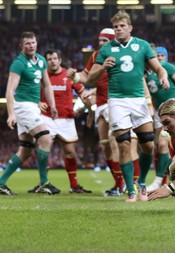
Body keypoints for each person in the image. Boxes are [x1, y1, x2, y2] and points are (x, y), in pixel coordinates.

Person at [87, 10, 170, 203]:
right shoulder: (106, 50)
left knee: (148, 144)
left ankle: (141, 181)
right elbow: (90, 78)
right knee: (123, 144)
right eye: (116, 27)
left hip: (139, 100)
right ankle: (131, 190)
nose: (118, 29)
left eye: (122, 26)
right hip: (116, 101)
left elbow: (157, 67)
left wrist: (163, 76)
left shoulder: (141, 45)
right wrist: (102, 67)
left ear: (130, 27)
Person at [67, 28, 127, 196]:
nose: (101, 44)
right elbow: (86, 76)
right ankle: (118, 184)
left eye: (105, 41)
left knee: (115, 142)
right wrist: (75, 76)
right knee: (105, 145)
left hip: (115, 101)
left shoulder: (120, 54)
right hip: (100, 103)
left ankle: (125, 184)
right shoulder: (95, 56)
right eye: (100, 41)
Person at [0, 32, 60, 195]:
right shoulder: (18, 63)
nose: (31, 46)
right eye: (27, 43)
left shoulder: (41, 61)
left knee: (25, 150)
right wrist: (11, 113)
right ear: (21, 46)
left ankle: (1, 183)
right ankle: (44, 183)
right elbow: (10, 91)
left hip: (33, 106)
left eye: (33, 42)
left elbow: (47, 85)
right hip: (22, 106)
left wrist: (52, 105)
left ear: (36, 43)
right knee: (46, 139)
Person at [27, 49, 92, 194]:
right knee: (44, 151)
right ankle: (43, 183)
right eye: (49, 59)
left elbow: (83, 94)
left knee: (70, 152)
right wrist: (37, 102)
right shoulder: (42, 76)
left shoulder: (68, 76)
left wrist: (88, 111)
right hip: (46, 118)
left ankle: (74, 185)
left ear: (60, 60)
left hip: (66, 119)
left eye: (55, 58)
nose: (52, 61)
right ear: (46, 61)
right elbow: (29, 92)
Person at [145, 46, 175, 192]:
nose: (158, 58)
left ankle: (159, 181)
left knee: (163, 143)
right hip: (159, 113)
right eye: (156, 55)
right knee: (162, 147)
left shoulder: (166, 67)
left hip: (172, 113)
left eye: (160, 55)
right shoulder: (144, 72)